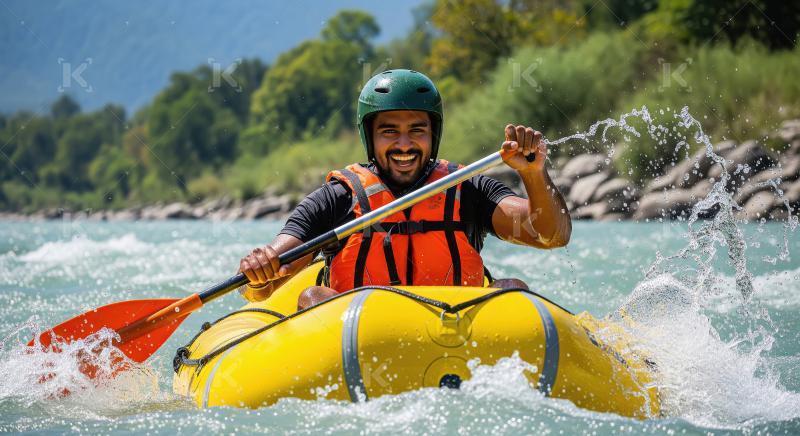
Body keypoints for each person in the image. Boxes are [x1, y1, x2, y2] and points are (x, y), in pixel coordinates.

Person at [238, 69, 571, 309]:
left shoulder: (467, 188)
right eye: (389, 131)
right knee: (313, 297)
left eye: (416, 130)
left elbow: (550, 236)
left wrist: (534, 174)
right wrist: (260, 267)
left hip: (456, 330)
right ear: (370, 137)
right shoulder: (337, 198)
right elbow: (262, 287)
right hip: (361, 335)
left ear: (433, 135)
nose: (404, 144)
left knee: (511, 288)